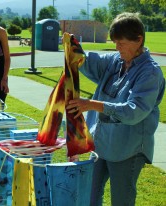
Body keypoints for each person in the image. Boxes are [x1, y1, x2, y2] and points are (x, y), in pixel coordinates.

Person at [66, 12, 165, 205]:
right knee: (89, 196)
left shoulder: (150, 73)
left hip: (128, 148)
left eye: (121, 43)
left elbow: (133, 111)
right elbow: (88, 62)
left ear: (138, 40)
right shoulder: (115, 60)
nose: (116, 47)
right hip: (101, 143)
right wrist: (73, 48)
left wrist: (92, 105)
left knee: (121, 200)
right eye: (115, 42)